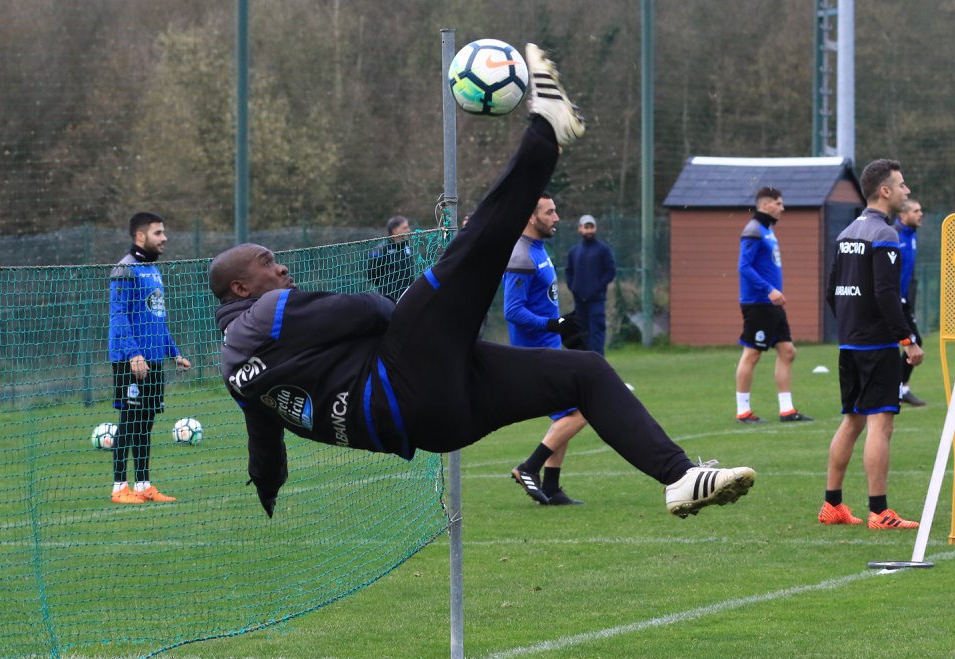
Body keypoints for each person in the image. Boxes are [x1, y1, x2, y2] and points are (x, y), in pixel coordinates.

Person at [208, 44, 755, 521]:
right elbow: (371, 313)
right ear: (240, 288)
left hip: (437, 425)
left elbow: (265, 446)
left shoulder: (235, 371)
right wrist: (429, 304)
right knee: (474, 249)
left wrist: (268, 487)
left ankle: (679, 477)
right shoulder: (266, 312)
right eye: (267, 261)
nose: (280, 268)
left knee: (583, 372)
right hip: (404, 381)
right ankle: (546, 130)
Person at [819, 159, 923, 529]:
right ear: (885, 191)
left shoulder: (847, 231)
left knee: (852, 421)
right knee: (880, 424)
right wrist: (907, 340)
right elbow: (885, 292)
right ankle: (880, 511)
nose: (906, 191)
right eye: (902, 184)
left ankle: (833, 505)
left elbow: (831, 291)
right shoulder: (885, 235)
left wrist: (849, 325)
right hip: (877, 345)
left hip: (850, 343)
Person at [503, 193, 588, 506]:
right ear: (531, 217)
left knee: (567, 413)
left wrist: (564, 328)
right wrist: (553, 326)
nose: (557, 217)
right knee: (580, 412)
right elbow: (512, 311)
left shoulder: (539, 250)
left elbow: (544, 302)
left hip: (550, 349)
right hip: (534, 355)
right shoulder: (521, 256)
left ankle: (551, 487)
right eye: (550, 212)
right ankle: (529, 468)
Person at [108, 211, 192, 504]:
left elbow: (157, 317)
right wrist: (134, 354)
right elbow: (118, 315)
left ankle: (143, 484)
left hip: (154, 359)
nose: (164, 237)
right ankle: (120, 488)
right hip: (131, 360)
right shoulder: (124, 269)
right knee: (129, 420)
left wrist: (174, 352)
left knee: (145, 422)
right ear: (140, 236)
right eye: (158, 233)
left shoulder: (153, 270)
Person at [734, 187, 813, 424]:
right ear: (766, 204)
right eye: (778, 203)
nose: (782, 208)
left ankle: (787, 410)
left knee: (787, 352)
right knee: (752, 353)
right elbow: (744, 267)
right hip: (758, 303)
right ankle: (743, 410)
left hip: (772, 304)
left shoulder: (767, 230)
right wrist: (769, 289)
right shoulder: (753, 231)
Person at [565, 214, 616, 356]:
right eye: (586, 227)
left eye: (591, 227)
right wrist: (573, 287)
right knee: (582, 333)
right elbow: (569, 271)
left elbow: (610, 271)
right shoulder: (574, 251)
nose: (589, 230)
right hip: (579, 300)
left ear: (595, 229)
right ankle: (585, 363)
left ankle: (598, 363)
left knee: (597, 332)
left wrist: (598, 287)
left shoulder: (603, 249)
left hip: (597, 300)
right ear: (580, 229)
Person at [896, 199, 926, 407]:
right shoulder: (894, 236)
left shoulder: (911, 235)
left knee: (914, 341)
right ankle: (898, 389)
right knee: (912, 342)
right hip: (892, 301)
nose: (920, 214)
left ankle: (900, 388)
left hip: (903, 301)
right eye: (916, 211)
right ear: (903, 216)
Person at [367, 215, 415, 302]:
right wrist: (386, 287)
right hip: (388, 298)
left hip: (407, 295)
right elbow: (372, 274)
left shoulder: (407, 246)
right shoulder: (381, 249)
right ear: (395, 230)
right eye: (405, 228)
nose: (409, 230)